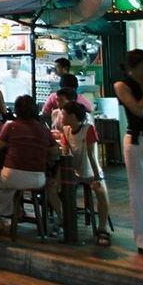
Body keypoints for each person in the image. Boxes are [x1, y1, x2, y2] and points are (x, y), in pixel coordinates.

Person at [0, 95, 59, 233]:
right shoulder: (43, 129)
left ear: (17, 110)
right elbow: (54, 151)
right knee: (6, 184)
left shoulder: (11, 126)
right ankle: (16, 210)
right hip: (38, 179)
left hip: (12, 175)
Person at [113, 49, 143, 256]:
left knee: (142, 191)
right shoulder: (122, 85)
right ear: (132, 67)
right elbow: (138, 110)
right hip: (136, 138)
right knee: (139, 192)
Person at [60, 101, 111, 246]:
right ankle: (65, 223)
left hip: (91, 172)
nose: (61, 116)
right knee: (59, 190)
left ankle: (102, 228)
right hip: (75, 174)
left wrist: (97, 178)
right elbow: (65, 154)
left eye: (64, 114)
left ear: (72, 116)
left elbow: (92, 156)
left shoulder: (88, 129)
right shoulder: (66, 130)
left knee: (101, 193)